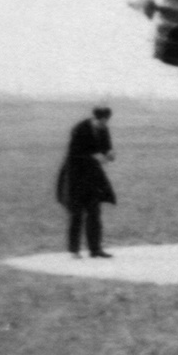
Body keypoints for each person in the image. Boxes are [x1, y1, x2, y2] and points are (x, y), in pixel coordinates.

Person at [56, 105, 116, 258]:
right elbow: (74, 153)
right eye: (101, 122)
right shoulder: (80, 129)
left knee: (94, 212)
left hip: (92, 176)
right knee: (76, 213)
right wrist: (93, 156)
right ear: (95, 119)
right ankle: (74, 250)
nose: (104, 125)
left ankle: (95, 249)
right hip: (75, 175)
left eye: (106, 122)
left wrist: (109, 153)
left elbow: (106, 146)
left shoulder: (103, 129)